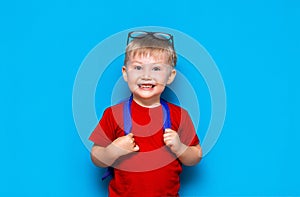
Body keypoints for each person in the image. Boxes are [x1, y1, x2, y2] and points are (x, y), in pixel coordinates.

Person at [89, 31, 202, 197]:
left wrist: (180, 148)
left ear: (170, 76)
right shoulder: (114, 114)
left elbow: (196, 156)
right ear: (126, 73)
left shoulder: (179, 115)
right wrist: (113, 151)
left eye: (156, 68)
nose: (146, 76)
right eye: (138, 68)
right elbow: (96, 157)